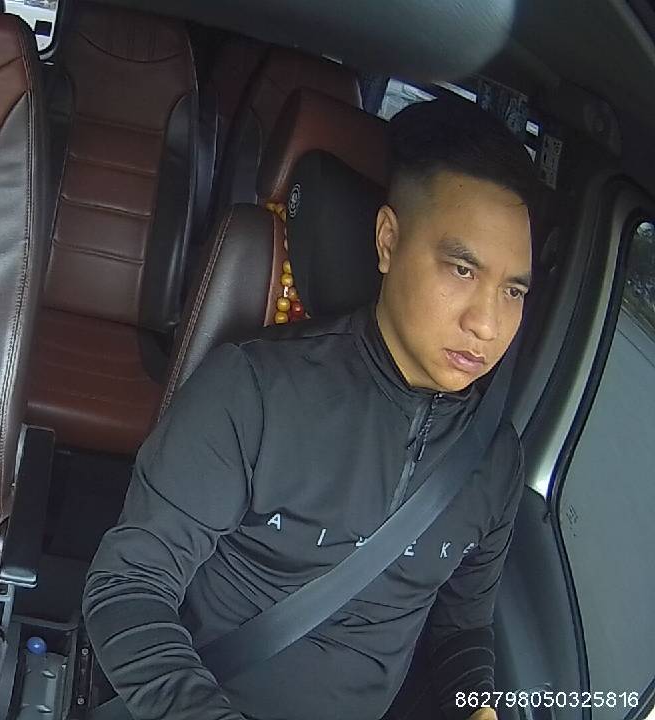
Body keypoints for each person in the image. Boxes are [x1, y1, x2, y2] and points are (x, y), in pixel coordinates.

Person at [81, 98, 537, 720]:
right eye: (461, 269)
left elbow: (462, 628)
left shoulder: (494, 459)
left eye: (512, 290)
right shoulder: (253, 390)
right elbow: (128, 586)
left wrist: (480, 705)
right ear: (388, 241)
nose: (487, 323)